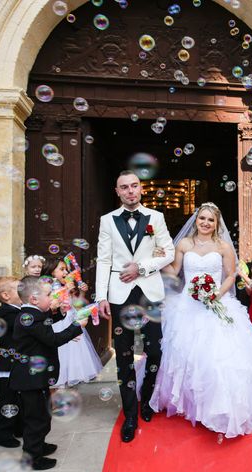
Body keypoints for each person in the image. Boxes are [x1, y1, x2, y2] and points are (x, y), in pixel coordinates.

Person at [150, 202, 252, 437]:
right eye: (202, 219)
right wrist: (159, 260)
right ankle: (194, 405)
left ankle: (218, 408)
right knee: (189, 357)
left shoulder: (223, 247)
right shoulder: (184, 244)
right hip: (188, 306)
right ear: (196, 220)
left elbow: (230, 275)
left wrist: (216, 294)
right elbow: (175, 270)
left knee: (218, 358)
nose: (206, 223)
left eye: (211, 220)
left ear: (217, 223)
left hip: (216, 302)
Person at [95, 170, 175, 443]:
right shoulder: (107, 221)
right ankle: (130, 413)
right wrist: (100, 296)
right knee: (124, 355)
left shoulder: (156, 217)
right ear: (117, 191)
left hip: (149, 291)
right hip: (119, 294)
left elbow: (169, 252)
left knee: (154, 349)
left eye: (134, 186)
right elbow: (103, 259)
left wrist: (140, 267)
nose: (130, 191)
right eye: (124, 187)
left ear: (141, 189)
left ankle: (148, 399)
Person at [10, 276, 88, 470]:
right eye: (48, 294)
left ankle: (40, 445)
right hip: (30, 380)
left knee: (43, 415)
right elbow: (52, 339)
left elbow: (45, 323)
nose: (52, 297)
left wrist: (59, 313)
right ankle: (32, 458)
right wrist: (76, 327)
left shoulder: (32, 314)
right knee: (35, 419)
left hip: (37, 377)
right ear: (34, 299)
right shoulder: (28, 318)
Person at [42, 257, 102, 387]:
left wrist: (81, 292)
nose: (65, 272)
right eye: (61, 269)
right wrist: (66, 290)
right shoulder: (48, 286)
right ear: (52, 272)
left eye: (66, 269)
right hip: (58, 322)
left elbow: (76, 304)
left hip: (70, 317)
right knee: (62, 349)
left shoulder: (66, 285)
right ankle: (59, 377)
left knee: (74, 348)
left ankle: (72, 375)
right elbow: (52, 304)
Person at [0, 276, 23, 448]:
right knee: (7, 400)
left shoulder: (17, 310)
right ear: (6, 295)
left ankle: (18, 428)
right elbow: (21, 324)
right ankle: (3, 434)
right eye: (19, 289)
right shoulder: (4, 313)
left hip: (16, 364)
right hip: (7, 365)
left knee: (19, 398)